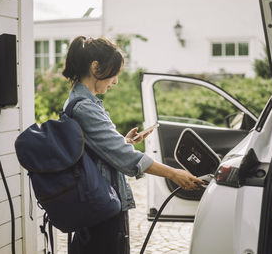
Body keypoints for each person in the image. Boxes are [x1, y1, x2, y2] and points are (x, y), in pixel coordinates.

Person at [62, 36, 203, 254]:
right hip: (101, 206)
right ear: (95, 67)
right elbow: (128, 158)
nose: (115, 81)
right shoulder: (84, 107)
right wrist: (174, 174)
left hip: (96, 202)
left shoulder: (80, 101)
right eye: (114, 74)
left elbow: (95, 148)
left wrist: (124, 141)